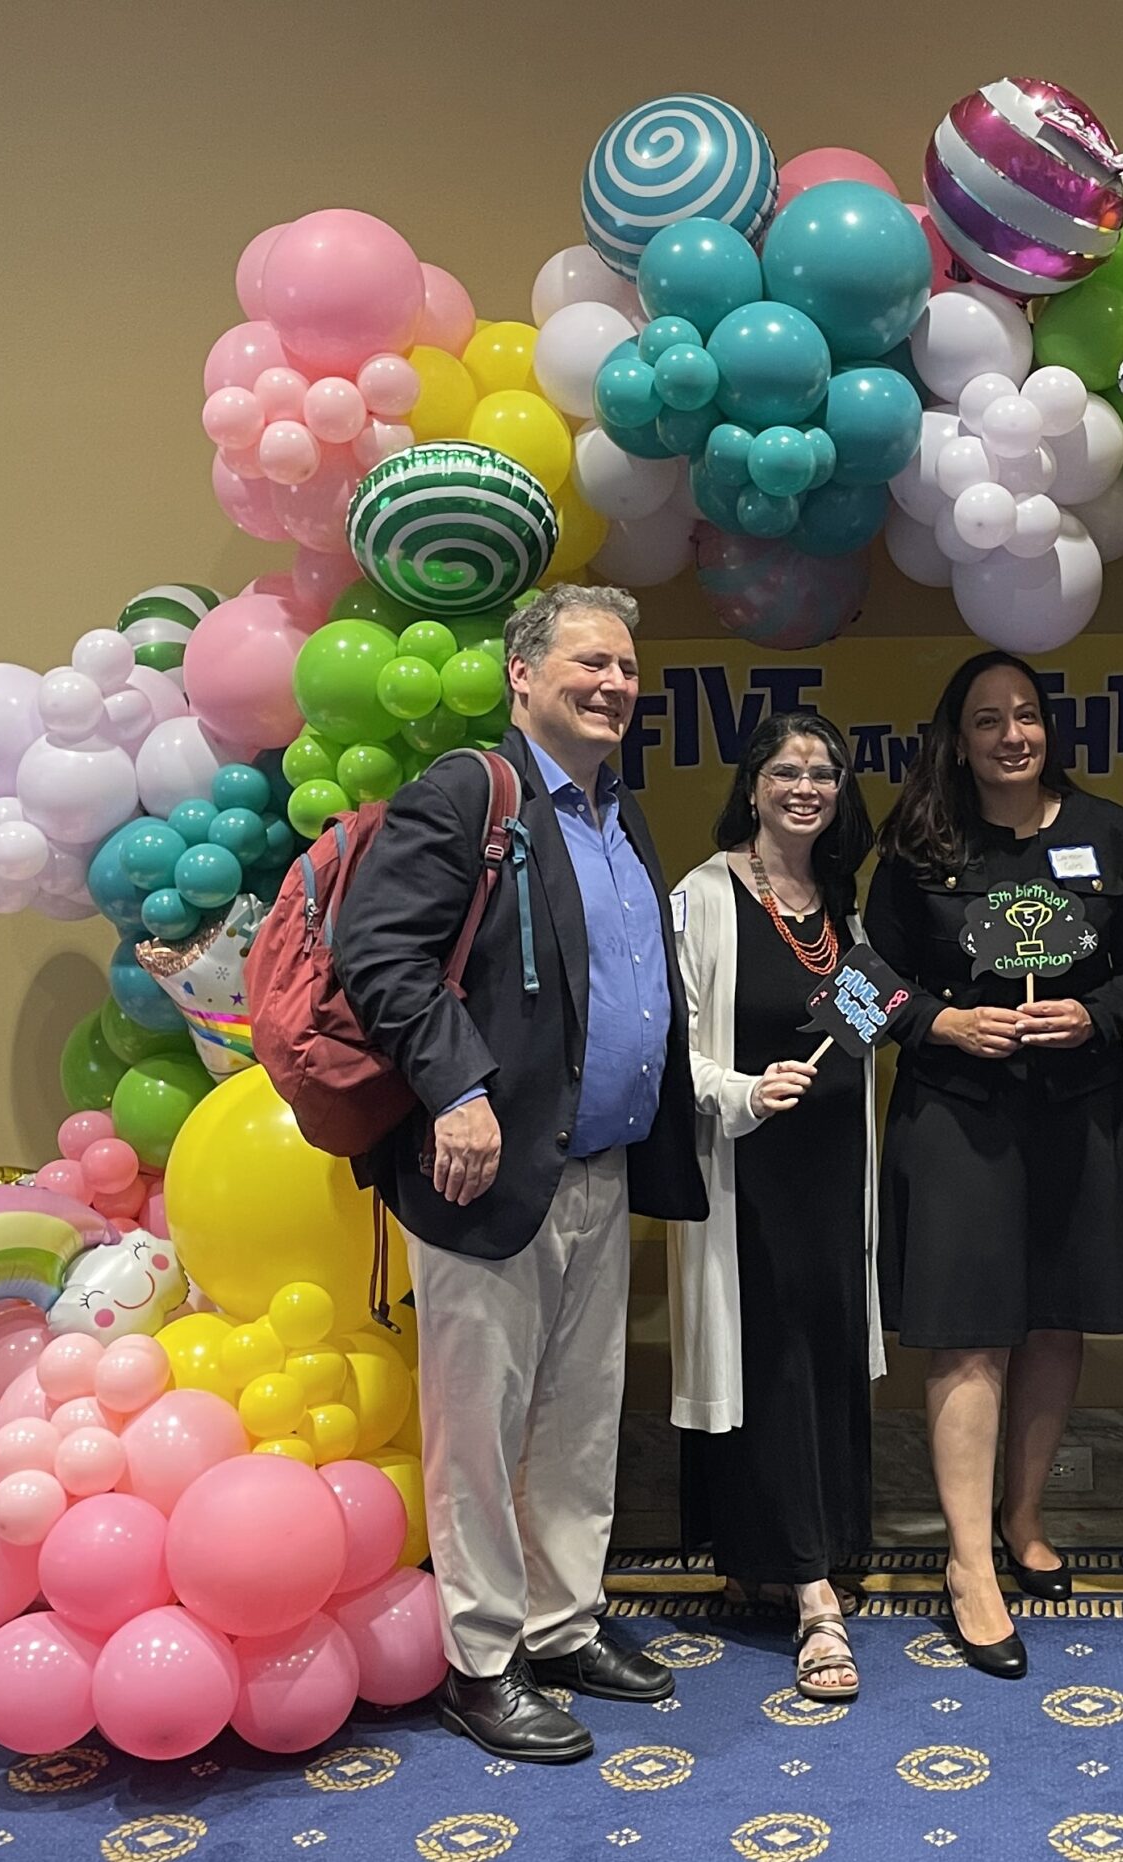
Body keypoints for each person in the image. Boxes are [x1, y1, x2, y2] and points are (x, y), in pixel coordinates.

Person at [334, 584, 706, 1764]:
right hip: (483, 1176)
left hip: (595, 1164)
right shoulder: (467, 791)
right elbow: (378, 953)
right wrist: (455, 1088)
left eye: (627, 669)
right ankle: (483, 1658)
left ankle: (562, 1621)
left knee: (576, 1419)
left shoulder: (617, 810)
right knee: (480, 1427)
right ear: (523, 676)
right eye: (591, 663)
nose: (613, 685)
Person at [863, 650, 1123, 1679]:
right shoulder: (915, 843)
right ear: (958, 737)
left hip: (1076, 1108)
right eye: (987, 719)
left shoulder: (1107, 830)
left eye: (1026, 715)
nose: (1010, 735)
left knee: (1053, 1314)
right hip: (957, 1114)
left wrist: (1094, 1011)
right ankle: (966, 1564)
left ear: (1050, 727)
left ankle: (1023, 1516)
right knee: (964, 1333)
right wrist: (941, 1021)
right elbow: (861, 981)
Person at [668, 712, 885, 1703]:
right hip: (750, 1179)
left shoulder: (837, 898)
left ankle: (803, 1549)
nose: (807, 786)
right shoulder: (703, 896)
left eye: (825, 772)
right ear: (752, 782)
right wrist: (744, 1093)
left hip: (836, 1173)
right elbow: (670, 1049)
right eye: (787, 769)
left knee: (824, 1357)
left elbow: (865, 1012)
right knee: (777, 1365)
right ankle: (813, 1600)